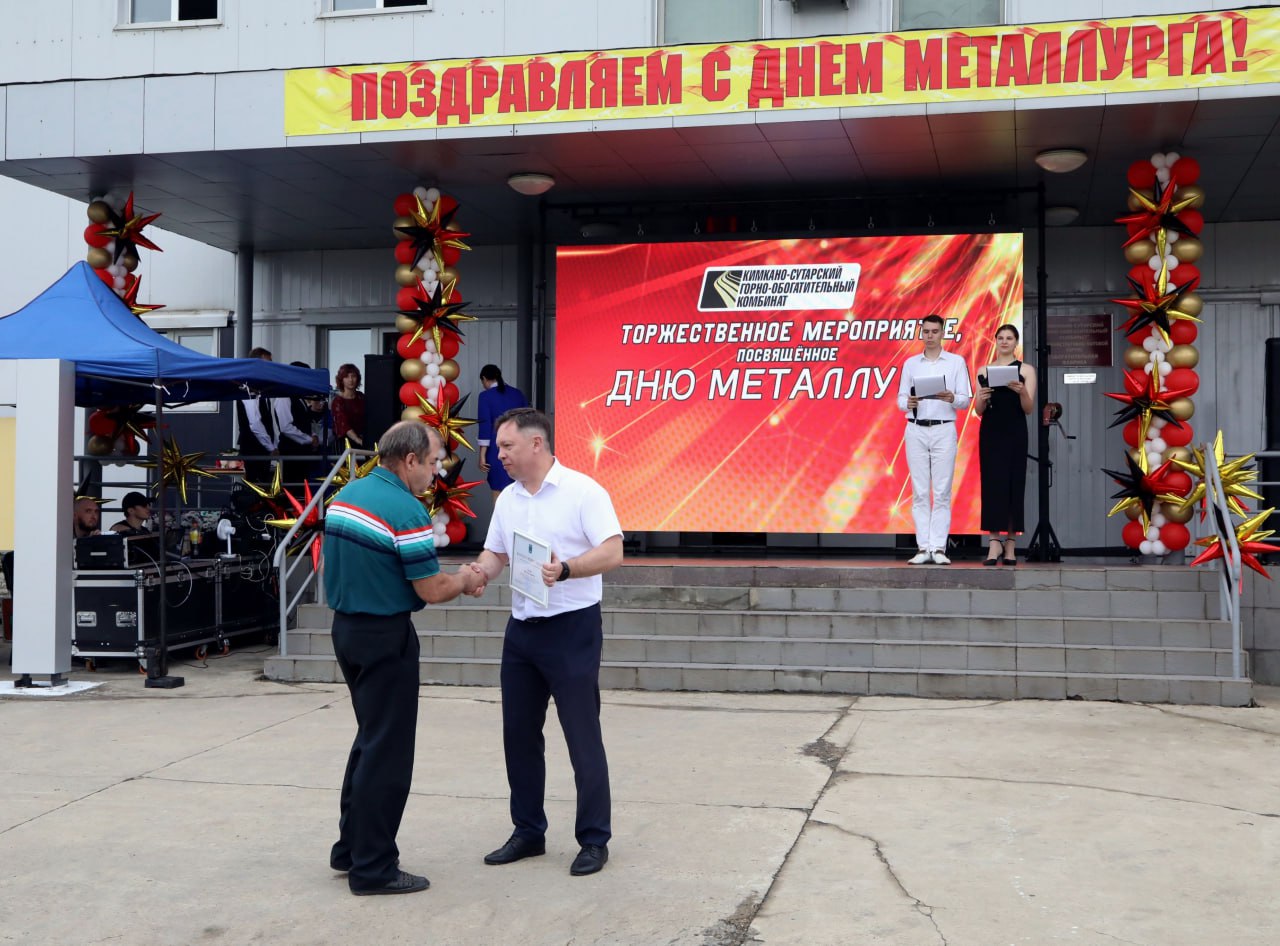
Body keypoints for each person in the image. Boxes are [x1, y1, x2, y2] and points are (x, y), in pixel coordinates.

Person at [322, 420, 484, 896]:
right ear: (409, 460)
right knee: (388, 753)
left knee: (369, 741)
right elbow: (431, 589)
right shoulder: (405, 508)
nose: (436, 473)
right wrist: (465, 579)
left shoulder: (348, 494)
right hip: (383, 635)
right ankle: (373, 867)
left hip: (347, 630)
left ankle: (350, 848)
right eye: (432, 463)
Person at [464, 407, 623, 877]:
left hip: (571, 628)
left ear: (536, 443)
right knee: (519, 735)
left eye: (506, 446)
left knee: (581, 736)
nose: (499, 454)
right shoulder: (509, 499)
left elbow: (613, 550)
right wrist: (477, 574)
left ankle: (593, 839)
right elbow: (496, 553)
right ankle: (528, 831)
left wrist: (567, 568)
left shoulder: (583, 491)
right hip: (522, 630)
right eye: (499, 446)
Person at [896, 313, 972, 565]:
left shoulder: (956, 362)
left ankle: (938, 547)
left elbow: (965, 400)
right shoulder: (911, 364)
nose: (930, 336)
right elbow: (900, 399)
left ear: (942, 333)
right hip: (916, 427)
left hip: (943, 428)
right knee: (919, 491)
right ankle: (922, 548)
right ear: (921, 333)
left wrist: (952, 398)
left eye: (934, 331)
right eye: (926, 331)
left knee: (941, 490)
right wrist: (908, 402)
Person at [974, 324, 1037, 566]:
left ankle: (1010, 543)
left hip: (1015, 431)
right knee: (992, 485)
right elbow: (979, 410)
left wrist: (1022, 392)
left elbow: (1029, 409)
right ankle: (993, 542)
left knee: (1014, 484)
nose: (1004, 341)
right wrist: (981, 398)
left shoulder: (1026, 370)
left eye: (1009, 338)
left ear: (1016, 342)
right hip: (991, 431)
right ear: (995, 341)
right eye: (1000, 337)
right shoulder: (984, 370)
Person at [475, 364, 529, 497]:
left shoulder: (485, 396)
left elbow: (485, 426)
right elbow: (528, 421)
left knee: (498, 491)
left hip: (497, 449)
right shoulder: (517, 393)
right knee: (520, 490)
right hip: (519, 447)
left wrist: (482, 455)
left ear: (484, 379)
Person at [235, 347, 278, 483]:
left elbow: (266, 420)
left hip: (261, 448)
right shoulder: (248, 386)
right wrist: (271, 447)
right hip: (253, 447)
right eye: (268, 363)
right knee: (256, 485)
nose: (271, 366)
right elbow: (254, 422)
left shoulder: (260, 388)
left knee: (263, 483)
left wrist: (273, 444)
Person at [276, 362, 320, 488]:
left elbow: (304, 422)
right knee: (292, 487)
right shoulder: (284, 396)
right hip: (291, 452)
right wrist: (309, 439)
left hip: (302, 452)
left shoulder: (299, 397)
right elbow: (285, 426)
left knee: (302, 488)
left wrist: (313, 435)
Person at [331, 363, 366, 448]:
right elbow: (344, 426)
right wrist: (358, 440)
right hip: (345, 444)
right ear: (341, 380)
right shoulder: (338, 401)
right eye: (346, 377)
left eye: (353, 376)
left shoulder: (362, 397)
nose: (350, 380)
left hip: (363, 440)